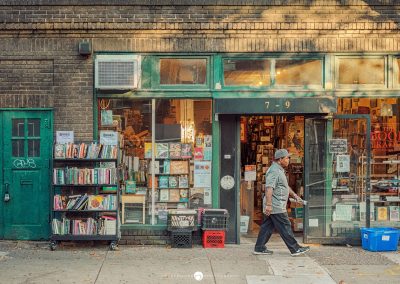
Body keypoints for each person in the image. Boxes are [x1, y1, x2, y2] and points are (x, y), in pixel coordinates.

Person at [253, 148, 310, 257]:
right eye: (287, 158)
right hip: (275, 205)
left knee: (267, 226)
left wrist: (295, 195)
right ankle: (295, 248)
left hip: (275, 205)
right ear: (280, 159)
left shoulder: (279, 170)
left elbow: (284, 186)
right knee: (285, 225)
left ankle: (259, 248)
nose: (289, 159)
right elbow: (269, 188)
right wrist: (269, 205)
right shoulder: (274, 171)